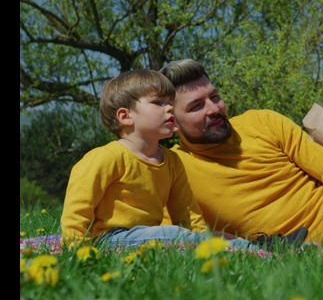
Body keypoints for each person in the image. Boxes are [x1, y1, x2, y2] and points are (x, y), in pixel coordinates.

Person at [159, 59, 323, 252]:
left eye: (214, 97)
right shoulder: (174, 169)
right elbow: (172, 237)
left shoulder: (263, 122)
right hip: (287, 257)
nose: (214, 109)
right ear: (173, 121)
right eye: (196, 106)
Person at [60, 69, 256, 250]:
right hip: (109, 238)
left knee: (217, 239)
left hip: (149, 237)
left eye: (170, 102)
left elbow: (187, 213)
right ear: (125, 116)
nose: (170, 108)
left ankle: (253, 252)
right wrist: (78, 250)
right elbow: (77, 210)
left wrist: (204, 243)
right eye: (158, 103)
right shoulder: (106, 157)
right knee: (173, 235)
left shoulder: (171, 160)